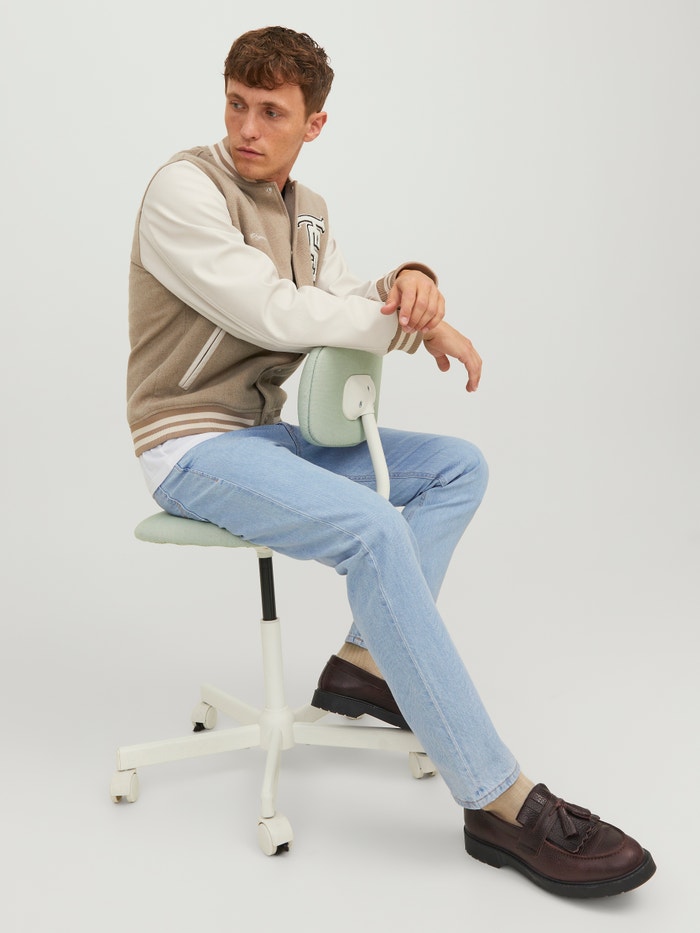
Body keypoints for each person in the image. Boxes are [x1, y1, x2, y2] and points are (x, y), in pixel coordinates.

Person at [126, 26, 655, 898]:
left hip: (267, 436)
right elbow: (272, 312)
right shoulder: (184, 189)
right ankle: (498, 799)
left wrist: (410, 287)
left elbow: (339, 296)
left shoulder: (307, 210)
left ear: (314, 124)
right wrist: (413, 329)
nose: (247, 128)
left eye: (271, 113)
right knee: (374, 528)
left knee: (456, 467)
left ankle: (364, 663)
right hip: (190, 443)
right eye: (236, 104)